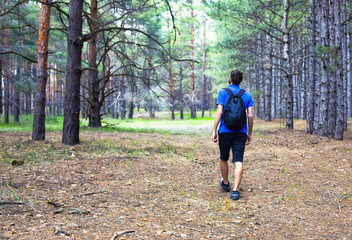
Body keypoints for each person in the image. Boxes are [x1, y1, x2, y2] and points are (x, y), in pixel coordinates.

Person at [212, 69, 254, 200]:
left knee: (223, 157)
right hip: (241, 132)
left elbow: (219, 113)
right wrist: (249, 133)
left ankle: (225, 183)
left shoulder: (223, 92)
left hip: (225, 131)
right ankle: (235, 190)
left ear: (230, 79)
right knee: (238, 160)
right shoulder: (247, 95)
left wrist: (214, 130)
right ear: (240, 81)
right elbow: (250, 116)